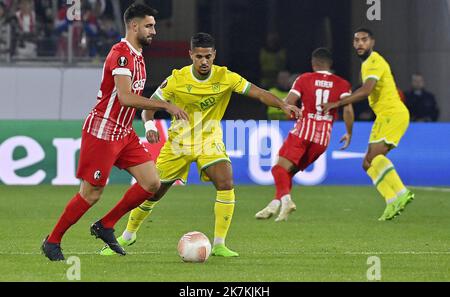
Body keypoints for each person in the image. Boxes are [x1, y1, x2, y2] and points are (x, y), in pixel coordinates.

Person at [99, 32, 301, 257]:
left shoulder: (225, 77)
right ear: (190, 56)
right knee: (153, 192)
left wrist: (283, 105)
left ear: (214, 55)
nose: (204, 61)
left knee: (226, 182)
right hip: (179, 144)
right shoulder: (176, 79)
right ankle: (128, 235)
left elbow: (259, 93)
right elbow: (149, 108)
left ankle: (219, 244)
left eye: (207, 56)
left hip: (209, 140)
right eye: (199, 57)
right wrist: (150, 127)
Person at [41, 3, 188, 261]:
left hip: (124, 131)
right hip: (103, 130)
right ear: (134, 26)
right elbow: (125, 97)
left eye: (153, 26)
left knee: (152, 182)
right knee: (92, 193)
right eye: (149, 26)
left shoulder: (139, 55)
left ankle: (105, 225)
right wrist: (165, 106)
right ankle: (52, 241)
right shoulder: (121, 54)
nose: (154, 31)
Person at [322, 28, 414, 221]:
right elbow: (363, 90)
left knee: (375, 157)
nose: (360, 44)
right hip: (383, 116)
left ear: (372, 42)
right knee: (367, 163)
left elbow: (366, 90)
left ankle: (401, 192)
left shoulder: (374, 62)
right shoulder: (366, 65)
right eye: (356, 40)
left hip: (392, 113)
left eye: (364, 40)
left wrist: (338, 103)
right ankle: (391, 200)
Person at [255, 48, 354, 221]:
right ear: (330, 64)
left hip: (303, 132)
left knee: (278, 169)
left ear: (313, 63)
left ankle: (286, 201)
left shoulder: (304, 79)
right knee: (288, 173)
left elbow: (288, 103)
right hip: (322, 140)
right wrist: (349, 132)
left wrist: (291, 113)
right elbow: (348, 110)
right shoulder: (342, 84)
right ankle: (274, 205)